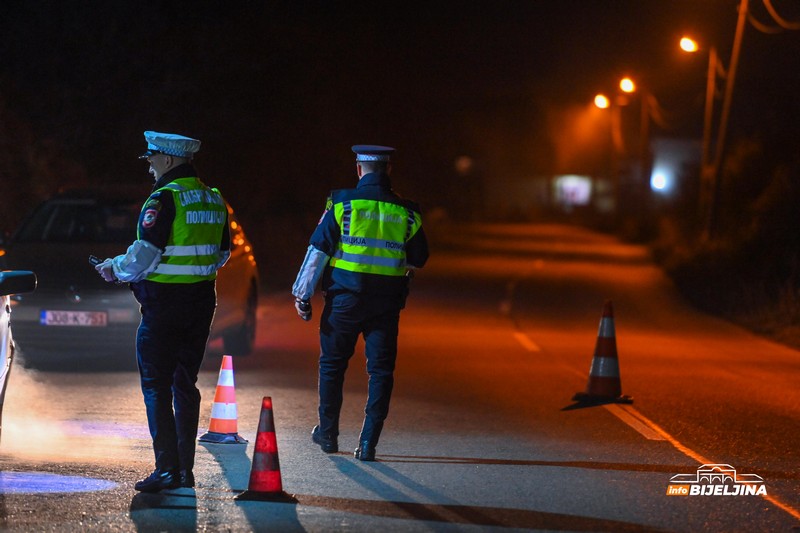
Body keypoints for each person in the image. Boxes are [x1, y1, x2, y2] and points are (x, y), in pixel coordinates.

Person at [95, 131, 231, 492]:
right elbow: (222, 253)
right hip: (201, 303)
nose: (150, 167)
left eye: (152, 159)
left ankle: (166, 470)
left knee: (156, 385)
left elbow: (144, 255)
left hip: (164, 307)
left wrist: (114, 267)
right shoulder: (213, 198)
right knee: (186, 383)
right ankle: (184, 471)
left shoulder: (164, 198)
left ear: (168, 160)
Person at [292, 145, 429, 461]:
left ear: (358, 169)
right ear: (389, 170)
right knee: (381, 371)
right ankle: (368, 443)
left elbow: (318, 251)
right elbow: (419, 259)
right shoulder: (408, 212)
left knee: (332, 365)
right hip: (386, 305)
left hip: (344, 301)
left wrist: (302, 294)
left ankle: (327, 435)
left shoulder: (342, 203)